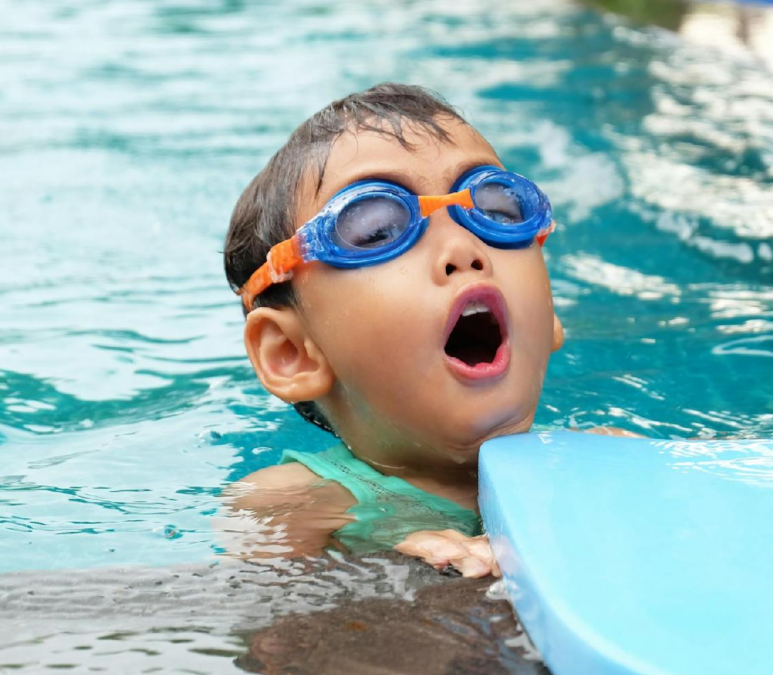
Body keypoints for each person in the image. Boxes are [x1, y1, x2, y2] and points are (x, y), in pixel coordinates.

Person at [221, 82, 566, 578]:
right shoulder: (292, 503)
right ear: (293, 353)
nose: (464, 251)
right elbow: (267, 641)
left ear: (550, 315)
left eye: (496, 210)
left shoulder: (597, 460)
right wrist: (403, 580)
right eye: (378, 229)